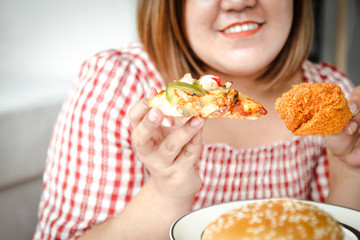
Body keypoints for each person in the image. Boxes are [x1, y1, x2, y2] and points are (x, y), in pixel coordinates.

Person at [33, 0, 360, 239]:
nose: (238, 3)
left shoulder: (331, 96)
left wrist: (348, 170)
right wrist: (167, 193)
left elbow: (333, 230)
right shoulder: (115, 84)